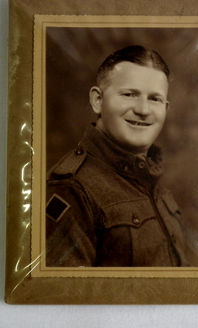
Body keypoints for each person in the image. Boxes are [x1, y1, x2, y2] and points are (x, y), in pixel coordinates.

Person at [46, 45, 189, 267]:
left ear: (166, 108)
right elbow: (65, 297)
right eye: (129, 94)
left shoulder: (149, 175)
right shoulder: (71, 189)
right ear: (97, 100)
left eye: (155, 99)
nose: (143, 109)